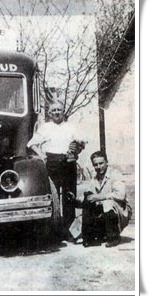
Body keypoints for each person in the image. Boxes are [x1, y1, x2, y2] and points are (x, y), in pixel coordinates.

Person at [27, 100, 86, 240]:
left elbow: (82, 143)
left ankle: (70, 232)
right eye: (53, 110)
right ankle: (53, 232)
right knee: (53, 197)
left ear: (63, 111)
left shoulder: (71, 127)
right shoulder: (45, 127)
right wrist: (42, 155)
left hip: (68, 162)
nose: (56, 113)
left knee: (69, 197)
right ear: (49, 113)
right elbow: (31, 144)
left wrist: (78, 149)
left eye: (59, 110)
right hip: (52, 163)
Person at [72, 151, 132, 248]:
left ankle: (114, 237)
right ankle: (89, 238)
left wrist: (99, 197)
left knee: (107, 203)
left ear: (107, 162)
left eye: (101, 163)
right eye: (95, 165)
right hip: (104, 212)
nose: (99, 167)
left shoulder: (115, 174)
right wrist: (76, 200)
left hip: (120, 211)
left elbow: (120, 195)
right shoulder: (95, 177)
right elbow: (90, 195)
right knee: (88, 199)